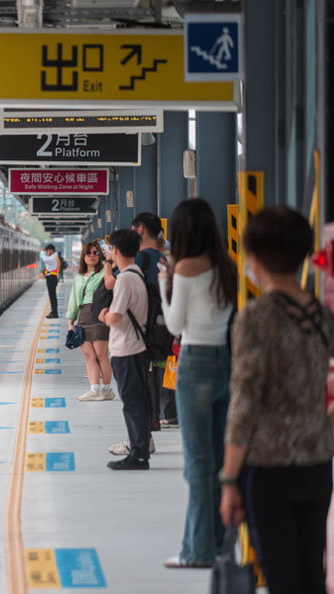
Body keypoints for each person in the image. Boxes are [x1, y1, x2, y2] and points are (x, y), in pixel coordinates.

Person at [220, 207, 334, 593]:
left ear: (254, 256)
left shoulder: (256, 317)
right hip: (318, 463)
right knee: (311, 575)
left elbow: (244, 403)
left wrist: (229, 477)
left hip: (270, 467)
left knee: (283, 578)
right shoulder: (320, 316)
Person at [158, 199, 237, 569]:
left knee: (197, 462)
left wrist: (164, 283)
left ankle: (197, 550)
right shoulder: (226, 266)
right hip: (224, 361)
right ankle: (218, 543)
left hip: (196, 362)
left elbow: (175, 325)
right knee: (218, 459)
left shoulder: (186, 267)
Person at [98, 229, 150, 470]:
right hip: (136, 347)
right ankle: (140, 449)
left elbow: (116, 317)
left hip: (127, 349)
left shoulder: (126, 279)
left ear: (115, 250)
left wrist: (105, 315)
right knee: (137, 401)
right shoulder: (136, 274)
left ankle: (138, 454)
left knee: (132, 403)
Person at [132, 211, 176, 432]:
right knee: (157, 371)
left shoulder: (140, 258)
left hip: (140, 327)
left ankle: (146, 429)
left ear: (140, 230)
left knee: (140, 378)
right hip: (163, 326)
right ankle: (158, 416)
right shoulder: (168, 261)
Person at [66, 241, 114, 401]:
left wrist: (109, 260)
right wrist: (71, 321)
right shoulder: (78, 278)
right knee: (89, 355)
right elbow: (74, 299)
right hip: (83, 317)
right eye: (88, 253)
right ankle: (94, 390)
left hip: (99, 315)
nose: (92, 256)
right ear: (83, 256)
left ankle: (107, 389)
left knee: (101, 354)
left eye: (95, 253)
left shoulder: (104, 273)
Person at [42, 244, 60, 318]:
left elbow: (45, 261)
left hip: (51, 279)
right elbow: (49, 269)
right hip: (51, 278)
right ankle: (53, 312)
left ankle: (54, 313)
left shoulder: (53, 258)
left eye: (48, 251)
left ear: (51, 250)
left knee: (52, 296)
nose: (47, 252)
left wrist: (42, 253)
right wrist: (45, 273)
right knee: (52, 296)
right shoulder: (53, 257)